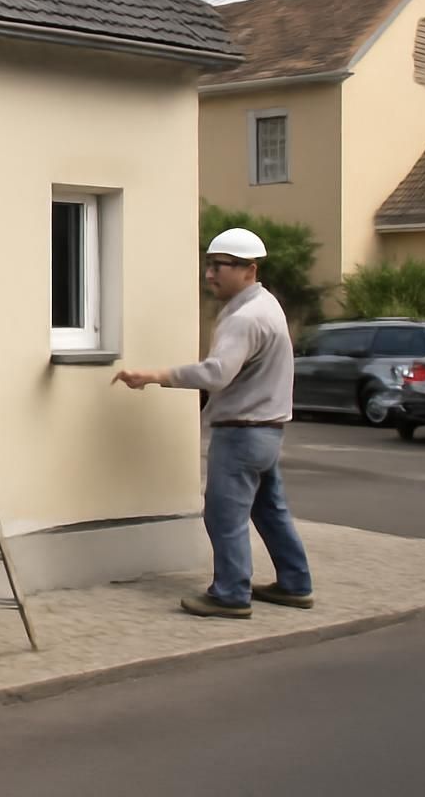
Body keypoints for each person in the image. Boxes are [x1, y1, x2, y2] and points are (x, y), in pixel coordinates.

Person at [113, 227, 314, 619]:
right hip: (266, 431)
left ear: (249, 270)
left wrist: (155, 375)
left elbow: (217, 374)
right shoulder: (265, 305)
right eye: (208, 265)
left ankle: (231, 594)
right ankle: (295, 584)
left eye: (219, 266)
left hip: (242, 432)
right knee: (270, 510)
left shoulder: (245, 317)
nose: (210, 274)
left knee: (223, 514)